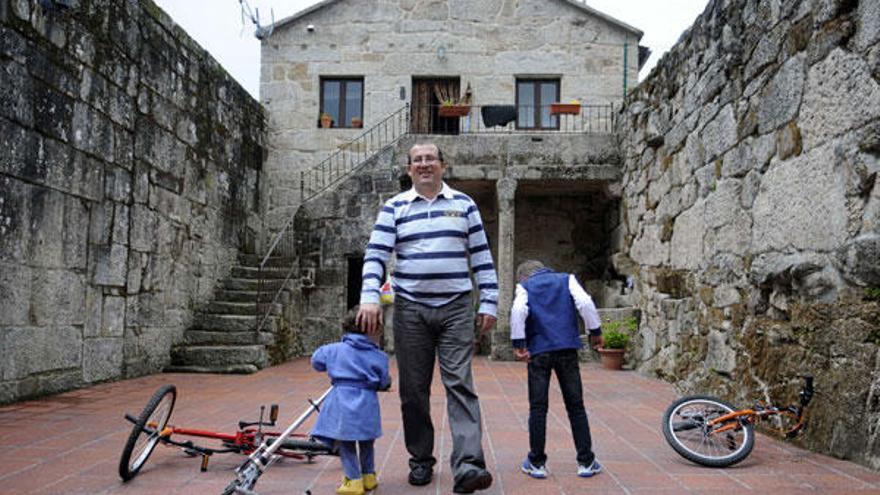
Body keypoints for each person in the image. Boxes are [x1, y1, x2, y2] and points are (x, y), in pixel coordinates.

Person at [357, 142, 498, 494]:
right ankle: (421, 459)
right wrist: (369, 296)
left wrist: (490, 302)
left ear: (442, 166)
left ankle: (468, 465)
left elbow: (481, 255)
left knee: (460, 384)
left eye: (430, 159)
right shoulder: (394, 207)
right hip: (410, 310)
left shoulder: (464, 204)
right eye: (417, 160)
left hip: (456, 307)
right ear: (409, 169)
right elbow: (376, 255)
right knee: (413, 391)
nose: (424, 165)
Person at [510, 260, 604, 480]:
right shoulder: (567, 279)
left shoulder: (525, 287)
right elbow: (585, 303)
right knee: (576, 406)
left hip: (539, 351)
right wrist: (595, 331)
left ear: (523, 276)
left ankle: (536, 462)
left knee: (538, 407)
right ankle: (586, 461)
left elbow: (518, 311)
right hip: (567, 348)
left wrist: (518, 343)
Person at [311, 305, 392, 495]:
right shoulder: (379, 356)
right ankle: (369, 476)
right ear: (373, 329)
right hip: (367, 403)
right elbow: (383, 381)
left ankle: (353, 481)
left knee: (346, 444)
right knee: (366, 442)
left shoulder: (333, 350)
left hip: (341, 401)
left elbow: (316, 361)